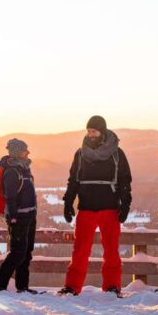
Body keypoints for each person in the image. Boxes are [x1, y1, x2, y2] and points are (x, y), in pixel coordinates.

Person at [59, 116, 132, 297]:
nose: (91, 134)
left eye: (94, 131)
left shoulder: (117, 154)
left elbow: (124, 180)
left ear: (102, 131)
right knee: (80, 250)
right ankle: (72, 287)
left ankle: (112, 286)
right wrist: (68, 201)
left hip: (109, 208)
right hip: (86, 208)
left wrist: (126, 203)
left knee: (111, 250)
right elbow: (74, 180)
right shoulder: (81, 153)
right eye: (89, 131)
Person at [0, 138, 38, 294]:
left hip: (30, 215)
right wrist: (12, 217)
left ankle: (22, 287)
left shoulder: (24, 168)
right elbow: (11, 197)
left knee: (26, 253)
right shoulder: (12, 172)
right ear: (18, 153)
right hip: (18, 218)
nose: (28, 152)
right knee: (17, 253)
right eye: (25, 150)